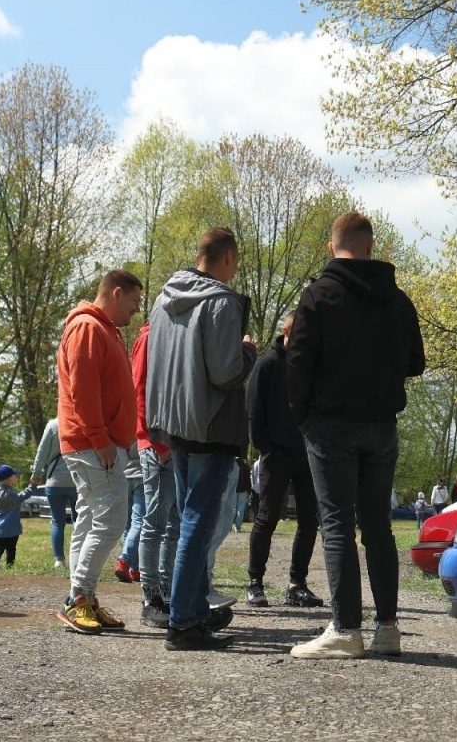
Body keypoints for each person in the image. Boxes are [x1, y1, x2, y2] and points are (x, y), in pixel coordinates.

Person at [287, 212, 425, 659]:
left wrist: (303, 414)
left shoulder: (318, 297)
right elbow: (416, 363)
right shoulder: (399, 301)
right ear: (369, 247)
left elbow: (298, 365)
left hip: (330, 426)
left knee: (337, 526)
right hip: (381, 426)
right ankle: (388, 628)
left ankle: (346, 629)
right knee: (378, 527)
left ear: (332, 247)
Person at [145, 226, 257, 650]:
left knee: (185, 520)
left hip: (175, 424)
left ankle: (188, 611)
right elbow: (226, 372)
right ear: (228, 257)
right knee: (197, 524)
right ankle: (184, 622)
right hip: (210, 425)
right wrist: (248, 349)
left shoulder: (163, 299)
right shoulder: (222, 302)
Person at [54, 269, 142, 634]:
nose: (136, 311)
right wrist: (101, 439)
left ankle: (85, 598)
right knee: (109, 522)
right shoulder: (88, 328)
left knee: (91, 521)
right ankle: (77, 599)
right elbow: (83, 390)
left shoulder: (102, 329)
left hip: (95, 444)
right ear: (117, 293)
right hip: (94, 445)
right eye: (135, 302)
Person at [244, 311, 323, 609]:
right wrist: (265, 449)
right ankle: (255, 583)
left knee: (308, 520)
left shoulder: (310, 367)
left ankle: (296, 584)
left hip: (307, 454)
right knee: (266, 518)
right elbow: (253, 412)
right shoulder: (266, 365)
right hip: (275, 455)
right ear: (287, 331)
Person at [132, 318, 176, 628]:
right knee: (155, 522)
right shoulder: (149, 338)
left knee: (174, 523)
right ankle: (151, 596)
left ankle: (170, 591)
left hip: (178, 445)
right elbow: (138, 392)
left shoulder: (176, 337)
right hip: (157, 445)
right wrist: (158, 445)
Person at [29, 419, 76, 568]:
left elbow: (42, 452)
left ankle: (59, 560)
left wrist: (36, 473)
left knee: (57, 521)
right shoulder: (78, 422)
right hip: (77, 480)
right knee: (79, 520)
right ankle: (78, 556)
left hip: (54, 481)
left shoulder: (52, 425)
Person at [0, 464, 37, 571]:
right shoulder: (14, 494)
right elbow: (25, 495)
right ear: (9, 479)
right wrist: (33, 485)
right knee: (11, 548)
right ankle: (10, 566)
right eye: (15, 476)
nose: (17, 478)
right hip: (12, 529)